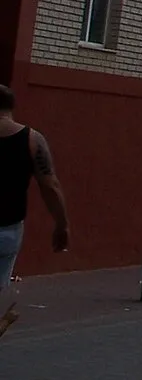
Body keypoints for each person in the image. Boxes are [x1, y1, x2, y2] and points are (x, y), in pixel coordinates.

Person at [1, 83, 70, 340]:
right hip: (7, 228)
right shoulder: (32, 139)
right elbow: (50, 185)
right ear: (11, 108)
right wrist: (62, 224)